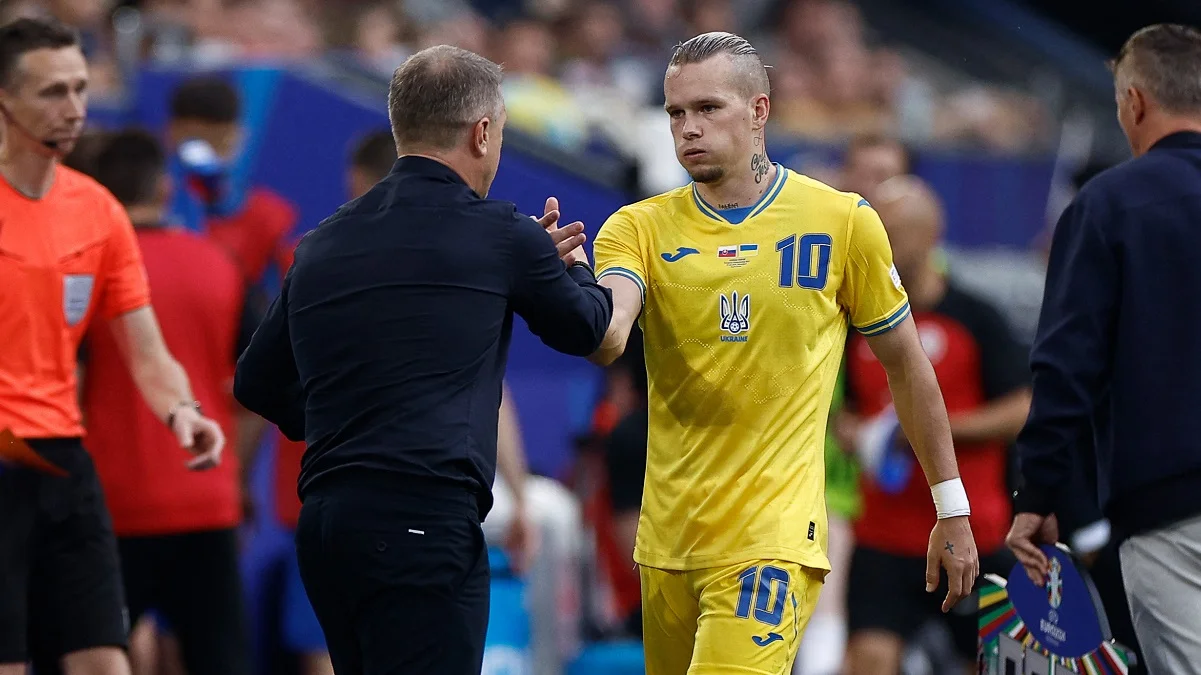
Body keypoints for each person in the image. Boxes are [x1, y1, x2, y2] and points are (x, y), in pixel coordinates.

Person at [590, 32, 978, 675]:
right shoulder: (637, 227)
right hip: (667, 543)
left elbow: (908, 367)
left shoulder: (841, 221)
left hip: (773, 540)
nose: (688, 128)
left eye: (707, 108)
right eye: (676, 113)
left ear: (759, 111)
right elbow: (609, 336)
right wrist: (558, 292)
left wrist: (952, 506)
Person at [233, 45, 613, 675]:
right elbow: (588, 329)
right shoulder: (503, 233)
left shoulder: (323, 242)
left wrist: (334, 420)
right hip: (422, 522)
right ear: (482, 133)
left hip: (329, 527)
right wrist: (573, 266)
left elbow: (255, 381)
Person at [0, 17, 224, 675]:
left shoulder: (98, 212)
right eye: (52, 92)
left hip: (65, 464)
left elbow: (146, 349)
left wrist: (182, 410)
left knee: (105, 660)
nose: (74, 107)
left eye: (79, 88)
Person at [1007, 24, 1201, 675]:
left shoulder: (1109, 204)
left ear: (1135, 103)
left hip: (1169, 509)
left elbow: (1067, 367)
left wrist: (1037, 491)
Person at [80, 128, 257, 675]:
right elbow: (254, 395)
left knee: (91, 658)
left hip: (111, 506)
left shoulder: (83, 273)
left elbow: (69, 388)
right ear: (164, 187)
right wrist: (234, 475)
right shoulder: (221, 264)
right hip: (206, 500)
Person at [840, 177, 1030, 675]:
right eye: (876, 232)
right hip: (882, 536)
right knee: (868, 660)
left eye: (894, 233)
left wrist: (926, 431)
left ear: (931, 235)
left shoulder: (975, 318)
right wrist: (856, 433)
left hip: (973, 533)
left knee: (987, 663)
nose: (883, 245)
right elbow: (849, 408)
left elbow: (1021, 409)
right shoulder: (856, 322)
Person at [794, 132, 913, 675]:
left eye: (888, 176)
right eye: (864, 175)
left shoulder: (921, 278)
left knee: (844, 620)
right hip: (815, 473)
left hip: (886, 489)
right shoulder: (811, 259)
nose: (874, 189)